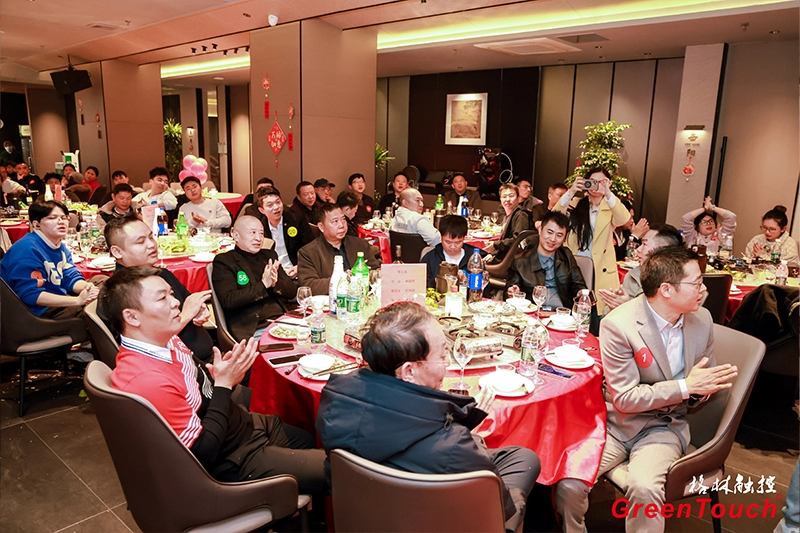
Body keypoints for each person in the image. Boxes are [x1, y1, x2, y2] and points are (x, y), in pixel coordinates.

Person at [555, 246, 738, 533]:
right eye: (696, 282)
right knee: (569, 483)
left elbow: (701, 383)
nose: (704, 289)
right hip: (616, 425)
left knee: (644, 487)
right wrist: (686, 386)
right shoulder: (619, 325)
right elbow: (626, 398)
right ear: (666, 289)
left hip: (664, 426)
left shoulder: (701, 319)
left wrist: (700, 389)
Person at [316, 302, 540, 532]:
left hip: (363, 515)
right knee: (524, 463)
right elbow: (500, 507)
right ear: (409, 371)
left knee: (520, 456)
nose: (447, 363)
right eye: (442, 355)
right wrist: (470, 437)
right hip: (428, 520)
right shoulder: (452, 445)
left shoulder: (336, 402)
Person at [102, 266, 327, 495]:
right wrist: (224, 384)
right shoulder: (148, 380)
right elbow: (202, 453)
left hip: (242, 427)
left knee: (316, 436)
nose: (176, 302)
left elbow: (199, 391)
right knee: (337, 469)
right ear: (131, 316)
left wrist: (222, 374)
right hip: (234, 459)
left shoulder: (163, 339)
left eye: (171, 294)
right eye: (162, 298)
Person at [103, 216, 215, 363]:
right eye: (140, 241)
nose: (151, 245)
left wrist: (199, 310)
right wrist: (187, 315)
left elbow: (188, 301)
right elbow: (146, 344)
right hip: (176, 367)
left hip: (206, 356)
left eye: (151, 237)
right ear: (117, 252)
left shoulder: (160, 274)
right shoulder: (120, 291)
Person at [0, 200, 99, 318]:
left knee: (102, 282)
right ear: (36, 225)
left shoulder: (59, 246)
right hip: (34, 312)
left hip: (56, 298)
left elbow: (70, 277)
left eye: (64, 217)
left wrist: (88, 289)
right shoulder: (26, 249)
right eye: (52, 218)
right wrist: (78, 300)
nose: (61, 221)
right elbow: (30, 295)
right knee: (96, 313)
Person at [554, 168, 631, 316]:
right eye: (592, 181)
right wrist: (571, 191)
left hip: (600, 266)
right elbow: (555, 215)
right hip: (575, 262)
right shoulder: (576, 203)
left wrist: (608, 193)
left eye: (601, 182)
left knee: (597, 311)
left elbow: (624, 219)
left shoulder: (611, 206)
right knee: (572, 305)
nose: (596, 185)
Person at [212, 216, 298, 341]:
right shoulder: (225, 261)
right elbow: (229, 300)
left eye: (261, 233)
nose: (258, 238)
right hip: (253, 328)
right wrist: (263, 285)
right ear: (235, 235)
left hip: (281, 320)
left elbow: (292, 292)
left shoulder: (269, 255)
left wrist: (274, 284)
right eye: (252, 232)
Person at [505, 211, 587, 307]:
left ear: (564, 239)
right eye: (550, 232)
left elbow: (578, 284)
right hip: (532, 311)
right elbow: (509, 291)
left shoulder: (566, 255)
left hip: (561, 312)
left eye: (559, 235)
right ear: (540, 230)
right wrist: (512, 292)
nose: (553, 239)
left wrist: (580, 292)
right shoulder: (520, 261)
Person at [297, 202, 379, 295]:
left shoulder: (360, 245)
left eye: (343, 219)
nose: (341, 225)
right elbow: (309, 286)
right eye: (335, 221)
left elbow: (376, 273)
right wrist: (345, 278)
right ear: (321, 227)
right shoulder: (308, 252)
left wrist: (366, 274)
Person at [598, 224, 684, 311]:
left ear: (663, 250)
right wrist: (613, 306)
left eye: (644, 244)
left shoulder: (678, 283)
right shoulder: (633, 275)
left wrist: (627, 307)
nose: (638, 249)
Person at [244, 185, 314, 278]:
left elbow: (310, 247)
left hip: (296, 269)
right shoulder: (260, 227)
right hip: (273, 274)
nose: (276, 207)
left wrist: (300, 267)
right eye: (270, 205)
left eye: (278, 202)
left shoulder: (296, 219)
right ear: (262, 210)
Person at [421, 215, 486, 289]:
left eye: (458, 242)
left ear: (464, 238)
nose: (452, 247)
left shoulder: (474, 259)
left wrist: (466, 281)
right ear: (441, 237)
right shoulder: (430, 258)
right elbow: (420, 286)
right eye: (448, 242)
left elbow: (485, 289)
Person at [484, 183, 531, 261]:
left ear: (518, 198)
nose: (507, 199)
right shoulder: (508, 216)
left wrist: (495, 245)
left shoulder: (521, 215)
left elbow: (517, 241)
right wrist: (493, 253)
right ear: (500, 199)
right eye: (504, 197)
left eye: (511, 196)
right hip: (504, 255)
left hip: (512, 261)